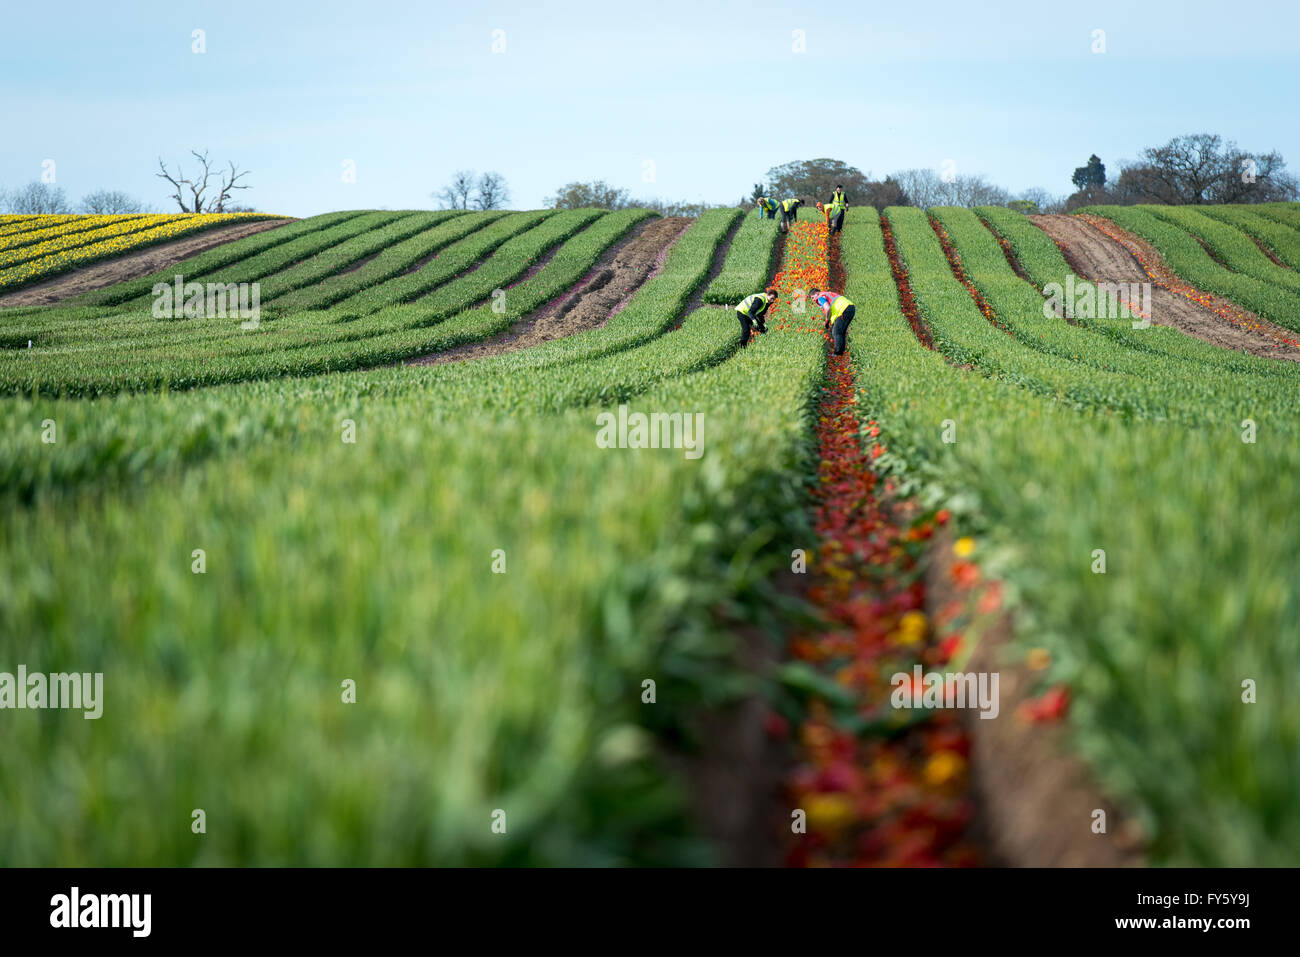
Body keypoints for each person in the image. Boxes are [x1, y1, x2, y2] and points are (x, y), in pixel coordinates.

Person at [812, 289, 855, 355]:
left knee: (836, 332)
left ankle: (837, 354)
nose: (813, 300)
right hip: (850, 307)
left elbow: (827, 308)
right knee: (841, 332)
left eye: (813, 297)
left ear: (817, 293)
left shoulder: (820, 298)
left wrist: (827, 320)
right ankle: (840, 353)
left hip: (843, 310)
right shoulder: (827, 294)